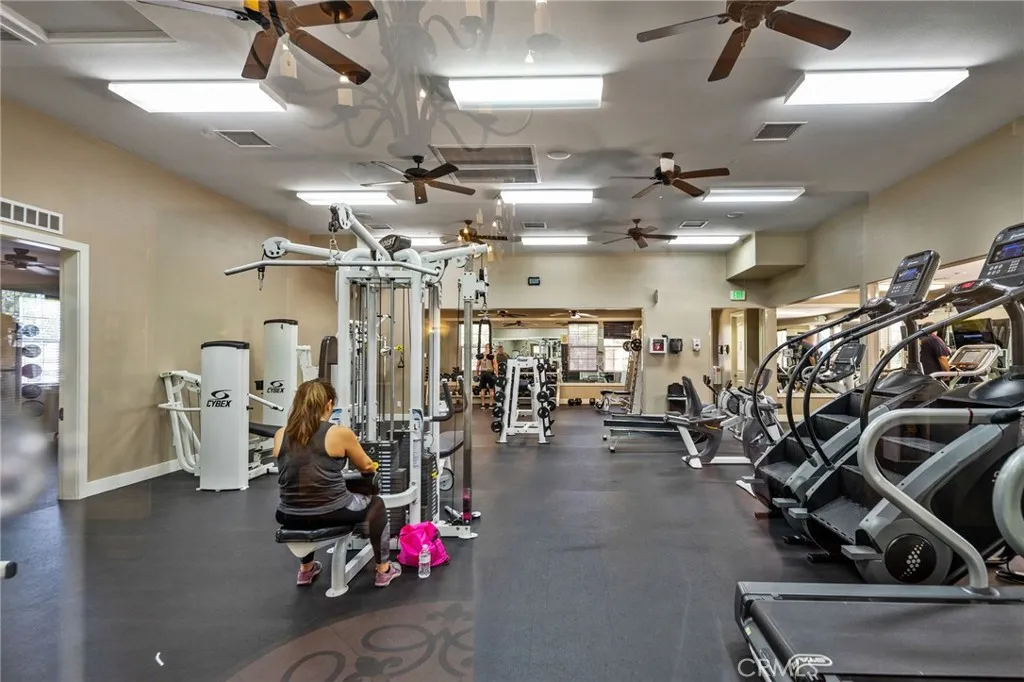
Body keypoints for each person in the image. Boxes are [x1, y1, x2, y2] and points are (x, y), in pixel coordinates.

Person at [273, 379, 401, 588]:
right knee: (376, 504)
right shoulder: (339, 433)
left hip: (288, 514)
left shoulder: (281, 434)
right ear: (329, 404)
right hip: (332, 511)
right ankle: (384, 569)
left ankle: (306, 569)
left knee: (306, 499)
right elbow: (367, 466)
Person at [476, 343, 497, 408]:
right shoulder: (492, 355)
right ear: (490, 348)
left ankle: (483, 405)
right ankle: (491, 405)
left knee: (482, 389)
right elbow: (495, 365)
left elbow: (477, 366)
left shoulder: (481, 355)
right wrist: (497, 374)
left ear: (485, 347)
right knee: (491, 389)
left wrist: (477, 374)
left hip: (483, 373)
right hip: (490, 373)